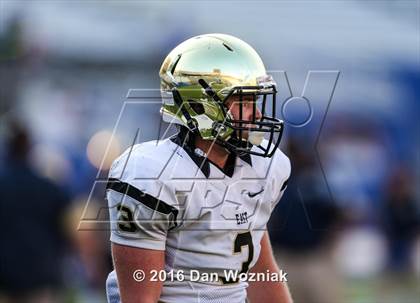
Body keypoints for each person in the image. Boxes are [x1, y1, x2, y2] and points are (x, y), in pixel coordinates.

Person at [105, 34, 292, 303]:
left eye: (255, 102)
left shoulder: (266, 166)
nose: (257, 115)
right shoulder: (152, 173)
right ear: (199, 106)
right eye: (244, 103)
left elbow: (260, 269)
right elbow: (140, 297)